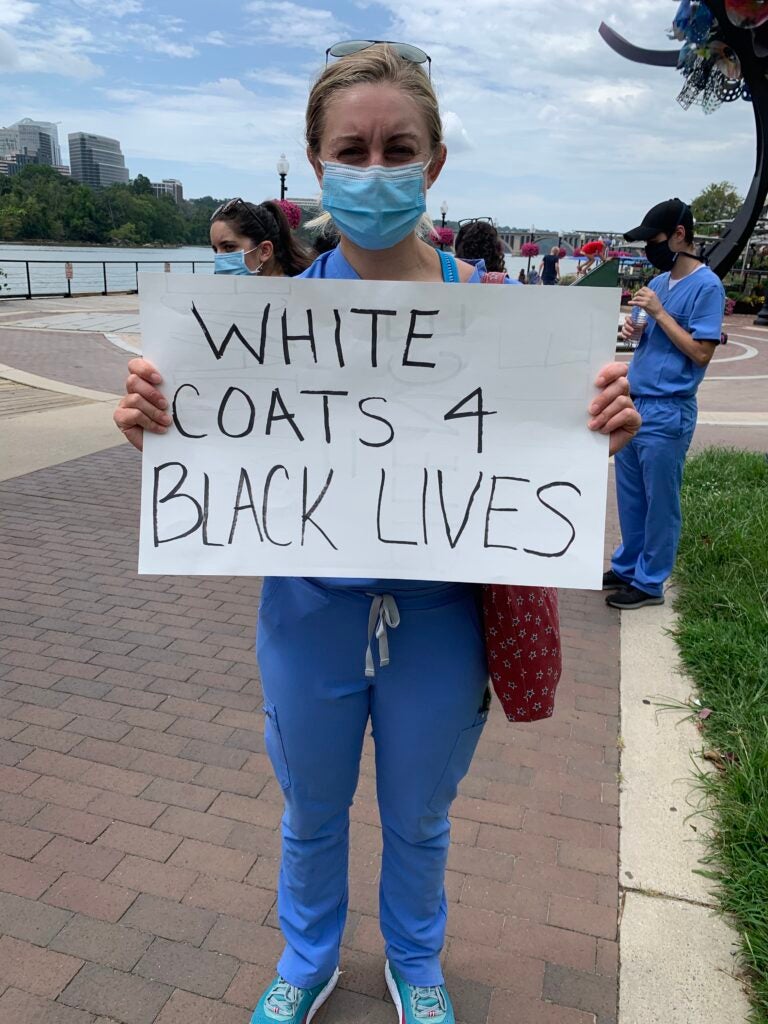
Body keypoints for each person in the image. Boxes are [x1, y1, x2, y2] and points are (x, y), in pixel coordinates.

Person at [114, 42, 640, 1024]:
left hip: (439, 622)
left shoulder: (503, 316)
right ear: (316, 165)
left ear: (433, 163)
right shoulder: (263, 327)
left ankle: (416, 963)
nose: (373, 166)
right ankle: (307, 955)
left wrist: (600, 430)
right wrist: (158, 430)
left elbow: (534, 467)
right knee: (310, 812)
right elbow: (225, 473)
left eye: (397, 147)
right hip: (308, 613)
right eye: (350, 149)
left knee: (420, 818)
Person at [604, 198, 725, 609]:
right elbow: (645, 338)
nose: (649, 251)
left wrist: (660, 313)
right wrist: (633, 328)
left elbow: (701, 352)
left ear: (679, 235)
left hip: (669, 407)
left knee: (661, 501)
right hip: (635, 400)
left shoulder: (707, 286)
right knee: (632, 494)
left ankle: (650, 580)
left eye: (654, 241)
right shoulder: (657, 283)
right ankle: (627, 566)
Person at [210, 197, 313, 276]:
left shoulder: (302, 297)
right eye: (215, 250)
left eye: (229, 247)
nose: (219, 259)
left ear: (264, 250)